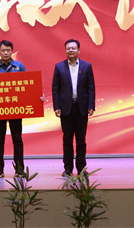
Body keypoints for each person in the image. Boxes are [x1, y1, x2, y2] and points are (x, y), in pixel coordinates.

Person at [51, 39, 96, 177]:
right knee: (67, 140)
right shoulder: (59, 67)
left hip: (81, 108)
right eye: (68, 48)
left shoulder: (87, 66)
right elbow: (55, 88)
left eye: (73, 48)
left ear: (79, 50)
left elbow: (91, 88)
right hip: (66, 108)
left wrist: (91, 105)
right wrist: (57, 106)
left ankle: (81, 169)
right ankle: (68, 169)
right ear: (65, 50)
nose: (71, 50)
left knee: (81, 140)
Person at [0, 39, 26, 178]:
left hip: (16, 108)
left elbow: (28, 86)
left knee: (17, 139)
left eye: (8, 50)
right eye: (3, 50)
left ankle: (19, 170)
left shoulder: (19, 66)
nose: (5, 53)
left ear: (12, 51)